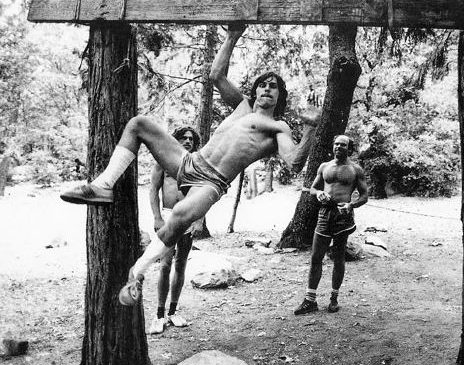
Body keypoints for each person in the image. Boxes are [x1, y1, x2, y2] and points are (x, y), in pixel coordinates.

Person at [60, 24, 315, 306]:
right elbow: (216, 75)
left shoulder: (278, 127)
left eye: (273, 86)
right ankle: (102, 186)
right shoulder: (242, 105)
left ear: (280, 95)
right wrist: (232, 35)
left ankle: (137, 273)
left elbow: (294, 162)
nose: (267, 89)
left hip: (212, 183)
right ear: (254, 91)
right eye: (263, 84)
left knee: (179, 216)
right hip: (190, 161)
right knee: (138, 124)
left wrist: (310, 129)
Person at [294, 135, 368, 315]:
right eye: (336, 144)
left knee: (338, 257)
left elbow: (364, 196)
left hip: (343, 217)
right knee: (315, 257)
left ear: (349, 148)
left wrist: (351, 205)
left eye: (343, 145)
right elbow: (312, 188)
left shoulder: (355, 169)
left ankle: (334, 298)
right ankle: (310, 300)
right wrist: (318, 192)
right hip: (324, 215)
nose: (338, 147)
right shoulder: (324, 167)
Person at [148, 126, 201, 334]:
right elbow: (153, 190)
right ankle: (159, 314)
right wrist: (157, 217)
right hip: (169, 215)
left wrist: (199, 220)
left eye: (190, 139)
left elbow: (202, 191)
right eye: (183, 138)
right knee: (165, 264)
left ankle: (173, 311)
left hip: (188, 216)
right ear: (175, 140)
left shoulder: (196, 164)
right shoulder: (163, 161)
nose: (187, 141)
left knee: (181, 264)